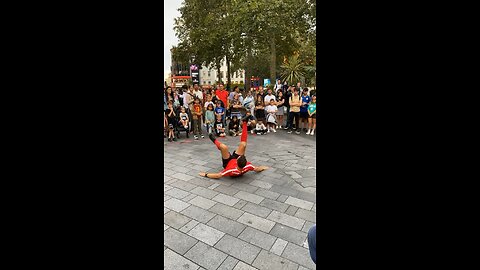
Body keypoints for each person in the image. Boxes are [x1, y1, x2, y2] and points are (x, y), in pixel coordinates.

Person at [199, 118, 269, 178]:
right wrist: (264, 168)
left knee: (224, 147)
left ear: (237, 160)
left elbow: (218, 175)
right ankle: (245, 122)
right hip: (236, 163)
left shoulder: (230, 170)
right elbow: (257, 169)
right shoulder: (248, 165)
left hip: (228, 163)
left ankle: (214, 140)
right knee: (243, 144)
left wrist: (205, 174)